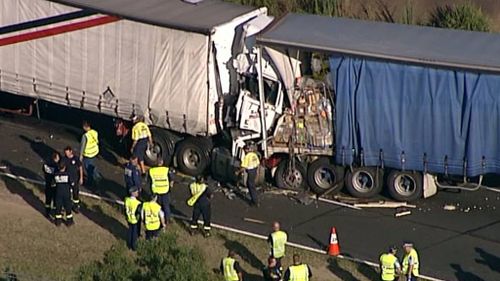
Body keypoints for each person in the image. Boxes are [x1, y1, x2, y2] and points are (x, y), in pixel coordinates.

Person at [148, 159, 173, 223]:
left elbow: (149, 181)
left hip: (156, 191)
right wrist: (170, 187)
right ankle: (167, 220)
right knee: (166, 206)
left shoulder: (151, 170)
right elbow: (171, 180)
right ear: (162, 162)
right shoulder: (166, 170)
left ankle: (158, 218)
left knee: (157, 206)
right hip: (165, 190)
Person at [80, 120, 100, 187]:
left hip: (88, 154)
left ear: (85, 127)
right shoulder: (95, 132)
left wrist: (81, 155)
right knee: (92, 165)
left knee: (88, 168)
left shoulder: (85, 136)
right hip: (94, 152)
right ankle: (96, 176)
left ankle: (91, 181)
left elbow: (83, 146)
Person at [63, 146, 83, 213]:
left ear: (71, 151)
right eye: (66, 153)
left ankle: (76, 206)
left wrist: (81, 178)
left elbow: (80, 167)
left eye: (68, 153)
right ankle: (67, 205)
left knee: (75, 193)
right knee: (67, 193)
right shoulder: (64, 159)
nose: (67, 155)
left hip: (75, 179)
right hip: (67, 179)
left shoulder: (76, 159)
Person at [54, 162, 74, 226]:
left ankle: (58, 221)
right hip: (66, 193)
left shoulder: (56, 174)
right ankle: (69, 221)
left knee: (58, 207)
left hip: (58, 193)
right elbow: (72, 183)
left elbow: (53, 184)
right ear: (64, 167)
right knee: (68, 207)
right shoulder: (67, 175)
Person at [42, 151, 60, 217]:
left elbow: (43, 170)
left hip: (47, 183)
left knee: (48, 199)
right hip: (54, 185)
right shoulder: (56, 166)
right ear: (55, 158)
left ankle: (47, 212)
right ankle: (55, 212)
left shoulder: (46, 165)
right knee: (55, 199)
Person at [125, 186, 142, 251]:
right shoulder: (138, 203)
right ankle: (134, 246)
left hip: (129, 218)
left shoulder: (127, 200)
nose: (137, 192)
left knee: (130, 232)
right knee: (134, 234)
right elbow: (138, 214)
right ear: (133, 193)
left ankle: (129, 244)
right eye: (136, 192)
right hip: (134, 220)